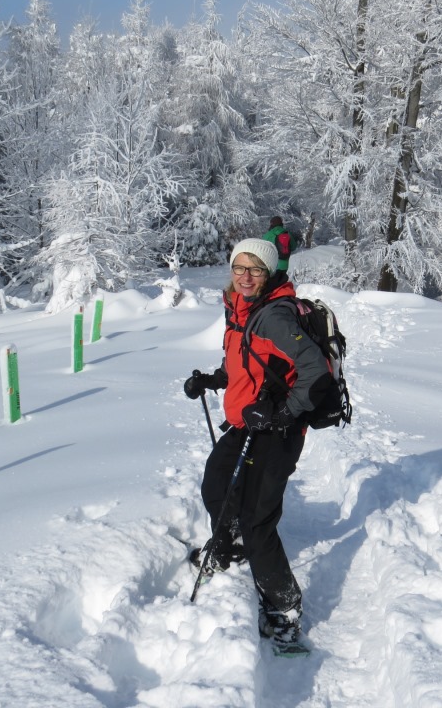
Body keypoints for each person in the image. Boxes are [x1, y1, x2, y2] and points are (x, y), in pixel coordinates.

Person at [183, 237, 332, 651]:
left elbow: (317, 373)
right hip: (248, 422)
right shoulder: (240, 309)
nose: (245, 277)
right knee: (216, 484)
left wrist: (283, 414)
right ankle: (228, 546)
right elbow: (250, 364)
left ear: (268, 275)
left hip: (279, 431)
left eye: (255, 270)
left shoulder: (273, 316)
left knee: (258, 522)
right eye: (239, 268)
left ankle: (285, 611)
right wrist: (214, 380)